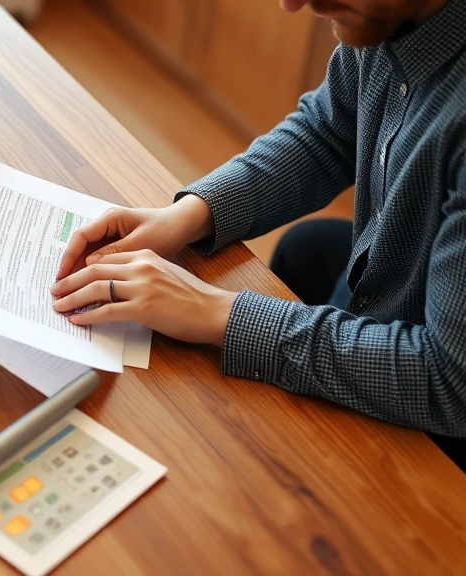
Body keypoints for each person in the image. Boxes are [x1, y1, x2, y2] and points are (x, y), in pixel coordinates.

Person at [50, 0, 466, 469]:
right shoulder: (390, 16)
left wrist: (216, 311)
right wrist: (190, 214)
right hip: (400, 304)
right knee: (304, 251)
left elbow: (448, 380)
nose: (292, 4)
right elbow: (329, 131)